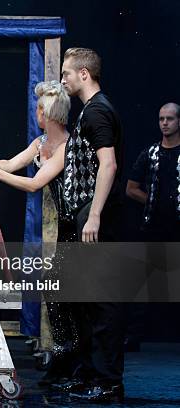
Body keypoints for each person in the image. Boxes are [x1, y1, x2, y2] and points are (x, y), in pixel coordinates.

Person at [0, 81, 79, 385]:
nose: (36, 114)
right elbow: (12, 164)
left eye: (39, 109)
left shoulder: (66, 147)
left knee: (62, 294)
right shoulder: (40, 141)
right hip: (50, 223)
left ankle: (69, 360)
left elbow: (34, 184)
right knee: (53, 292)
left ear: (47, 113)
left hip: (68, 223)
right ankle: (61, 358)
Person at [54, 47, 125, 402]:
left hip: (96, 215)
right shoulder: (87, 112)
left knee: (101, 302)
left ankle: (108, 379)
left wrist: (94, 214)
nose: (63, 79)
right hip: (82, 213)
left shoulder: (98, 111)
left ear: (84, 73)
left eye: (67, 73)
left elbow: (108, 165)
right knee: (82, 301)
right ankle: (87, 373)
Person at [125, 102, 180, 349]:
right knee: (140, 286)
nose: (165, 123)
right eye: (161, 119)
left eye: (169, 118)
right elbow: (130, 188)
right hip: (153, 228)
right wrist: (154, 201)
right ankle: (133, 337)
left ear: (179, 122)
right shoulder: (150, 153)